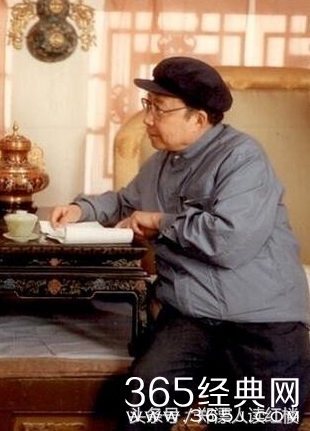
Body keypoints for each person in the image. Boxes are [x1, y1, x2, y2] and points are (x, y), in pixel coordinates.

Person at [50, 56, 310, 430]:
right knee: (143, 398)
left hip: (263, 322)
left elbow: (230, 241)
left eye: (159, 109)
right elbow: (125, 202)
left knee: (266, 422)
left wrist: (161, 222)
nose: (147, 119)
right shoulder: (162, 162)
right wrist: (82, 209)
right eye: (148, 106)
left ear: (198, 119)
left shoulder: (243, 158)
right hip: (194, 317)